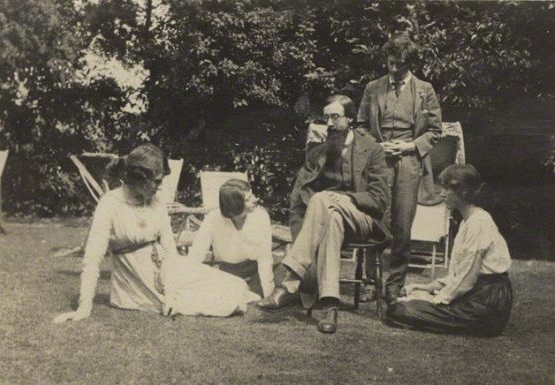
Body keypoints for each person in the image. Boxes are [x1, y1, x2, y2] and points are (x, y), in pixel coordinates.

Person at [53, 144, 259, 323]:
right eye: (157, 182)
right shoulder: (110, 204)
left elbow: (169, 250)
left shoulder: (156, 203)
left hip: (168, 271)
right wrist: (84, 307)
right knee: (227, 302)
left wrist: (170, 292)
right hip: (136, 284)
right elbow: (92, 258)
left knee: (237, 286)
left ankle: (178, 293)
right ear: (139, 179)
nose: (160, 188)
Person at [256, 95, 390, 334]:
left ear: (350, 119)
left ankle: (289, 285)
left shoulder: (372, 150)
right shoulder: (317, 153)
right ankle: (330, 307)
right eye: (326, 117)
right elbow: (298, 202)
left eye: (335, 117)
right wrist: (301, 232)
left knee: (321, 199)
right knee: (332, 220)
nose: (329, 123)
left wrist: (348, 198)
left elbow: (380, 199)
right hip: (328, 219)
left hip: (363, 218)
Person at [356, 33, 443, 305]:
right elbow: (360, 126)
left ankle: (394, 285)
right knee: (374, 221)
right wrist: (379, 148)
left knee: (403, 225)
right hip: (379, 162)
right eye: (390, 63)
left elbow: (434, 131)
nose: (394, 70)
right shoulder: (373, 88)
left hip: (408, 163)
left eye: (400, 65)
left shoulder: (425, 90)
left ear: (410, 64)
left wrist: (408, 148)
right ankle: (370, 282)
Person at [386, 164, 513, 336]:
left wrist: (433, 299)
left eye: (447, 189)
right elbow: (459, 275)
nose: (442, 193)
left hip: (485, 302)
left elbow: (467, 278)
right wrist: (426, 287)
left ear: (464, 192)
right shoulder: (467, 221)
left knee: (399, 310)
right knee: (405, 303)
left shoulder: (479, 223)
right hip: (477, 295)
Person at [187, 178, 274, 298]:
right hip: (226, 279)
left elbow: (265, 259)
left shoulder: (261, 216)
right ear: (235, 206)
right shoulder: (213, 219)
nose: (255, 199)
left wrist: (268, 294)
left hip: (253, 279)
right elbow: (196, 254)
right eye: (248, 199)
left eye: (252, 194)